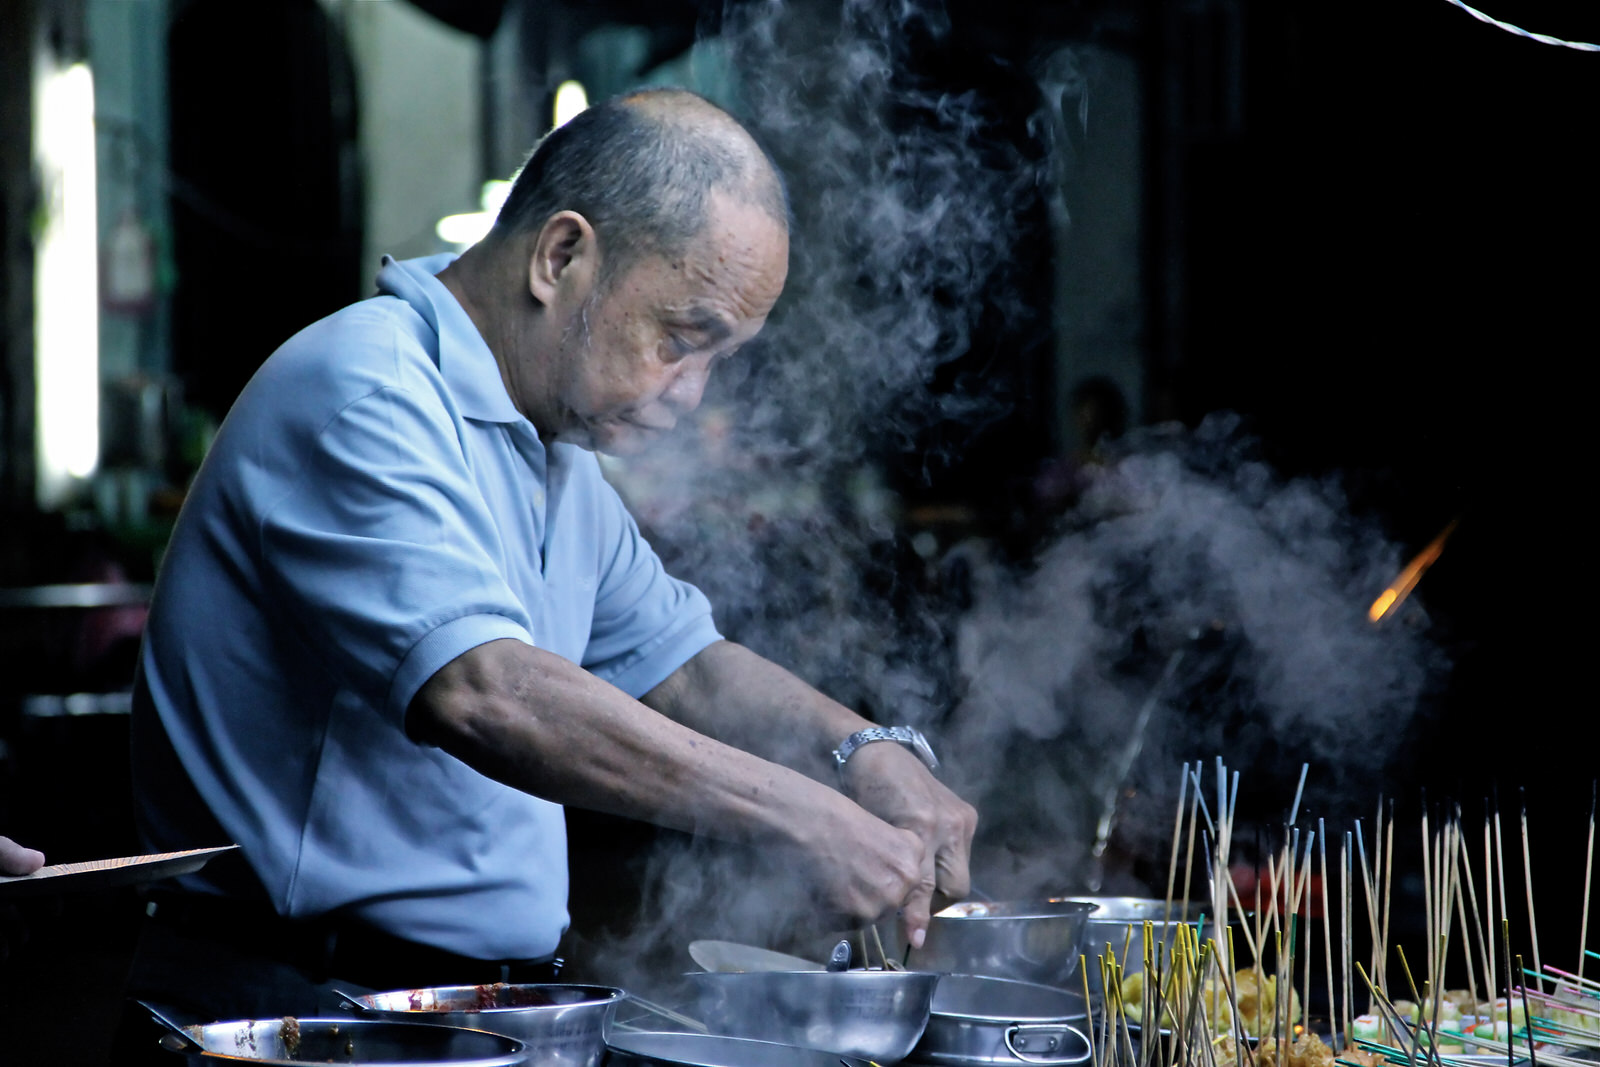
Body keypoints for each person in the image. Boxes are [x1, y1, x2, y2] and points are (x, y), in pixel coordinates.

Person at [122, 88, 977, 1027]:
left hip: (452, 1002)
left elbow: (683, 667)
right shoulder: (366, 390)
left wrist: (864, 752)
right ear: (560, 255)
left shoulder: (553, 454)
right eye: (681, 341)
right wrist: (798, 816)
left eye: (718, 361)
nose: (690, 396)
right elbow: (482, 693)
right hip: (299, 1008)